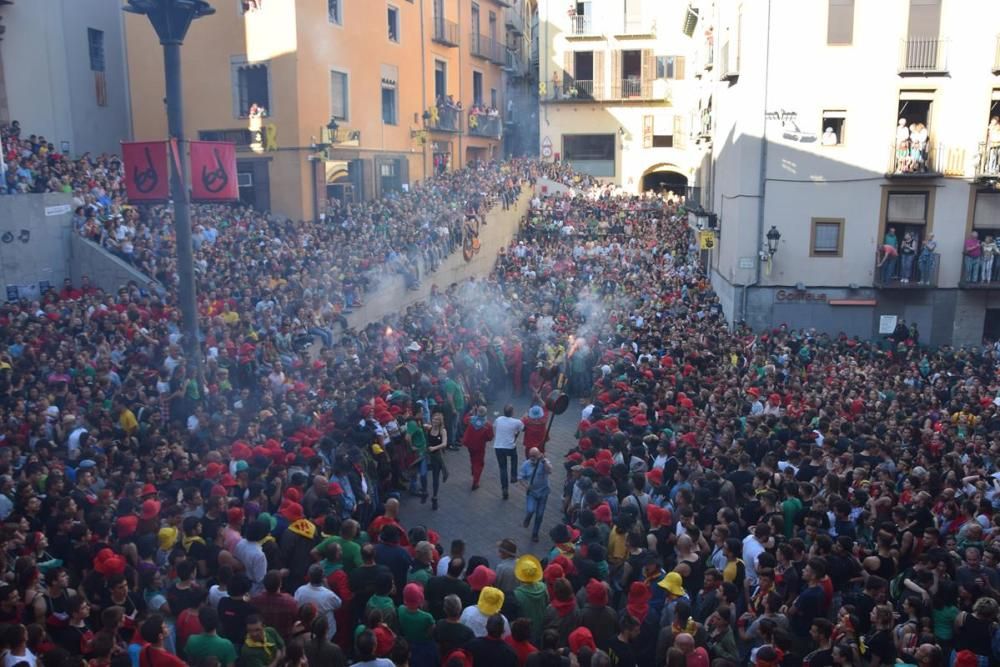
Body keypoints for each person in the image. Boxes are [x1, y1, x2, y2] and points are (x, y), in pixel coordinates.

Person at [294, 564, 342, 641]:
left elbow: (296, 604)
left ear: (309, 576)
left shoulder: (300, 591)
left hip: (306, 632)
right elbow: (338, 604)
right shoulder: (328, 594)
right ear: (322, 577)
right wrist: (326, 585)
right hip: (326, 634)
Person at [518, 448, 552, 543]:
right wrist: (526, 486)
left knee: (540, 514)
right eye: (531, 456)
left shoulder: (544, 462)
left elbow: (550, 470)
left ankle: (535, 533)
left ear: (539, 454)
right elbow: (520, 477)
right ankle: (528, 518)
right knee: (530, 510)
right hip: (532, 493)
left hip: (543, 492)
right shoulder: (525, 465)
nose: (533, 458)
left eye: (535, 455)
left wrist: (543, 461)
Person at [493, 405, 524, 500]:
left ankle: (504, 488)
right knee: (514, 458)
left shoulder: (498, 419)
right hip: (509, 447)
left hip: (498, 446)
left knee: (502, 468)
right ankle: (513, 475)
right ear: (512, 412)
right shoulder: (517, 422)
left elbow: (494, 426)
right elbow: (523, 428)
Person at [462, 406, 494, 491]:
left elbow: (464, 420)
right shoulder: (488, 425)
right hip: (480, 446)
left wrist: (471, 412)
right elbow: (490, 437)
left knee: (472, 458)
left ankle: (473, 469)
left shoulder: (471, 419)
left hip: (469, 444)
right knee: (479, 463)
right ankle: (475, 482)